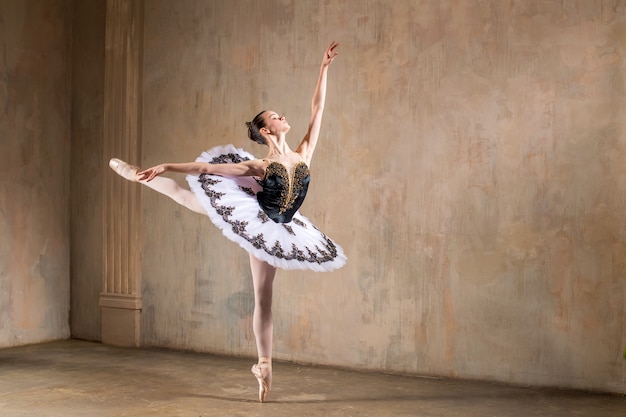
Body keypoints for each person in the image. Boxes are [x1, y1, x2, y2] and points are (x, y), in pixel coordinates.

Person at [108, 41, 346, 403]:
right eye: (275, 116)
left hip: (283, 227)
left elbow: (318, 108)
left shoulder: (303, 153)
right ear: (265, 131)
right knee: (188, 196)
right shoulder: (259, 166)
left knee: (264, 299)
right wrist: (168, 165)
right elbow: (206, 168)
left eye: (280, 114)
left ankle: (263, 367)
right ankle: (139, 174)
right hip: (257, 218)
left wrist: (323, 68)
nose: (282, 117)